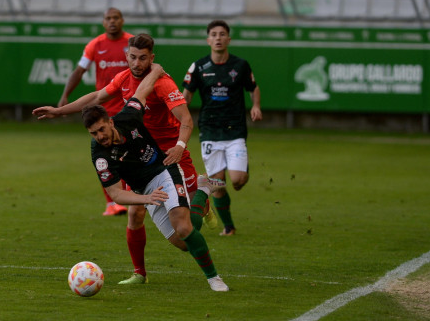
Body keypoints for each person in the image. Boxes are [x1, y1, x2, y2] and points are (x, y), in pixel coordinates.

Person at [34, 33, 202, 286]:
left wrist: (180, 146)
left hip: (169, 153)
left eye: (142, 58)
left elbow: (186, 120)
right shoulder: (123, 78)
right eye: (132, 57)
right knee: (134, 214)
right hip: (138, 155)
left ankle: (203, 194)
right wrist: (59, 111)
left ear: (151, 58)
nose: (136, 63)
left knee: (187, 231)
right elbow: (96, 98)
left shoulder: (162, 83)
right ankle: (139, 273)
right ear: (126, 56)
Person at [78, 64, 230, 292]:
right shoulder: (100, 156)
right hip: (145, 190)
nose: (100, 136)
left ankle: (214, 278)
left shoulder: (128, 117)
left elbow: (142, 91)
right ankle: (203, 189)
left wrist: (156, 72)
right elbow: (116, 193)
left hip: (164, 171)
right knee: (184, 243)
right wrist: (147, 198)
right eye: (94, 133)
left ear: (110, 121)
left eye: (101, 129)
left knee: (183, 228)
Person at [182, 19, 262, 237]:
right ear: (208, 40)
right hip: (209, 130)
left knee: (237, 181)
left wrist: (255, 106)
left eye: (222, 34)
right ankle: (229, 227)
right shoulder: (198, 67)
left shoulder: (240, 65)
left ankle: (241, 170)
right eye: (214, 34)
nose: (218, 38)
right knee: (217, 184)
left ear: (229, 38)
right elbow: (186, 96)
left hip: (235, 129)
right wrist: (177, 113)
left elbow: (253, 88)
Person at [58, 8, 134, 215]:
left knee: (131, 154)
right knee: (107, 157)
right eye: (108, 18)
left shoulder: (131, 43)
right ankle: (112, 203)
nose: (112, 21)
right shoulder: (95, 44)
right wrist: (65, 96)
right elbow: (79, 71)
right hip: (105, 110)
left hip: (130, 108)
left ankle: (133, 197)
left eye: (115, 18)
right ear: (103, 22)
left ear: (122, 20)